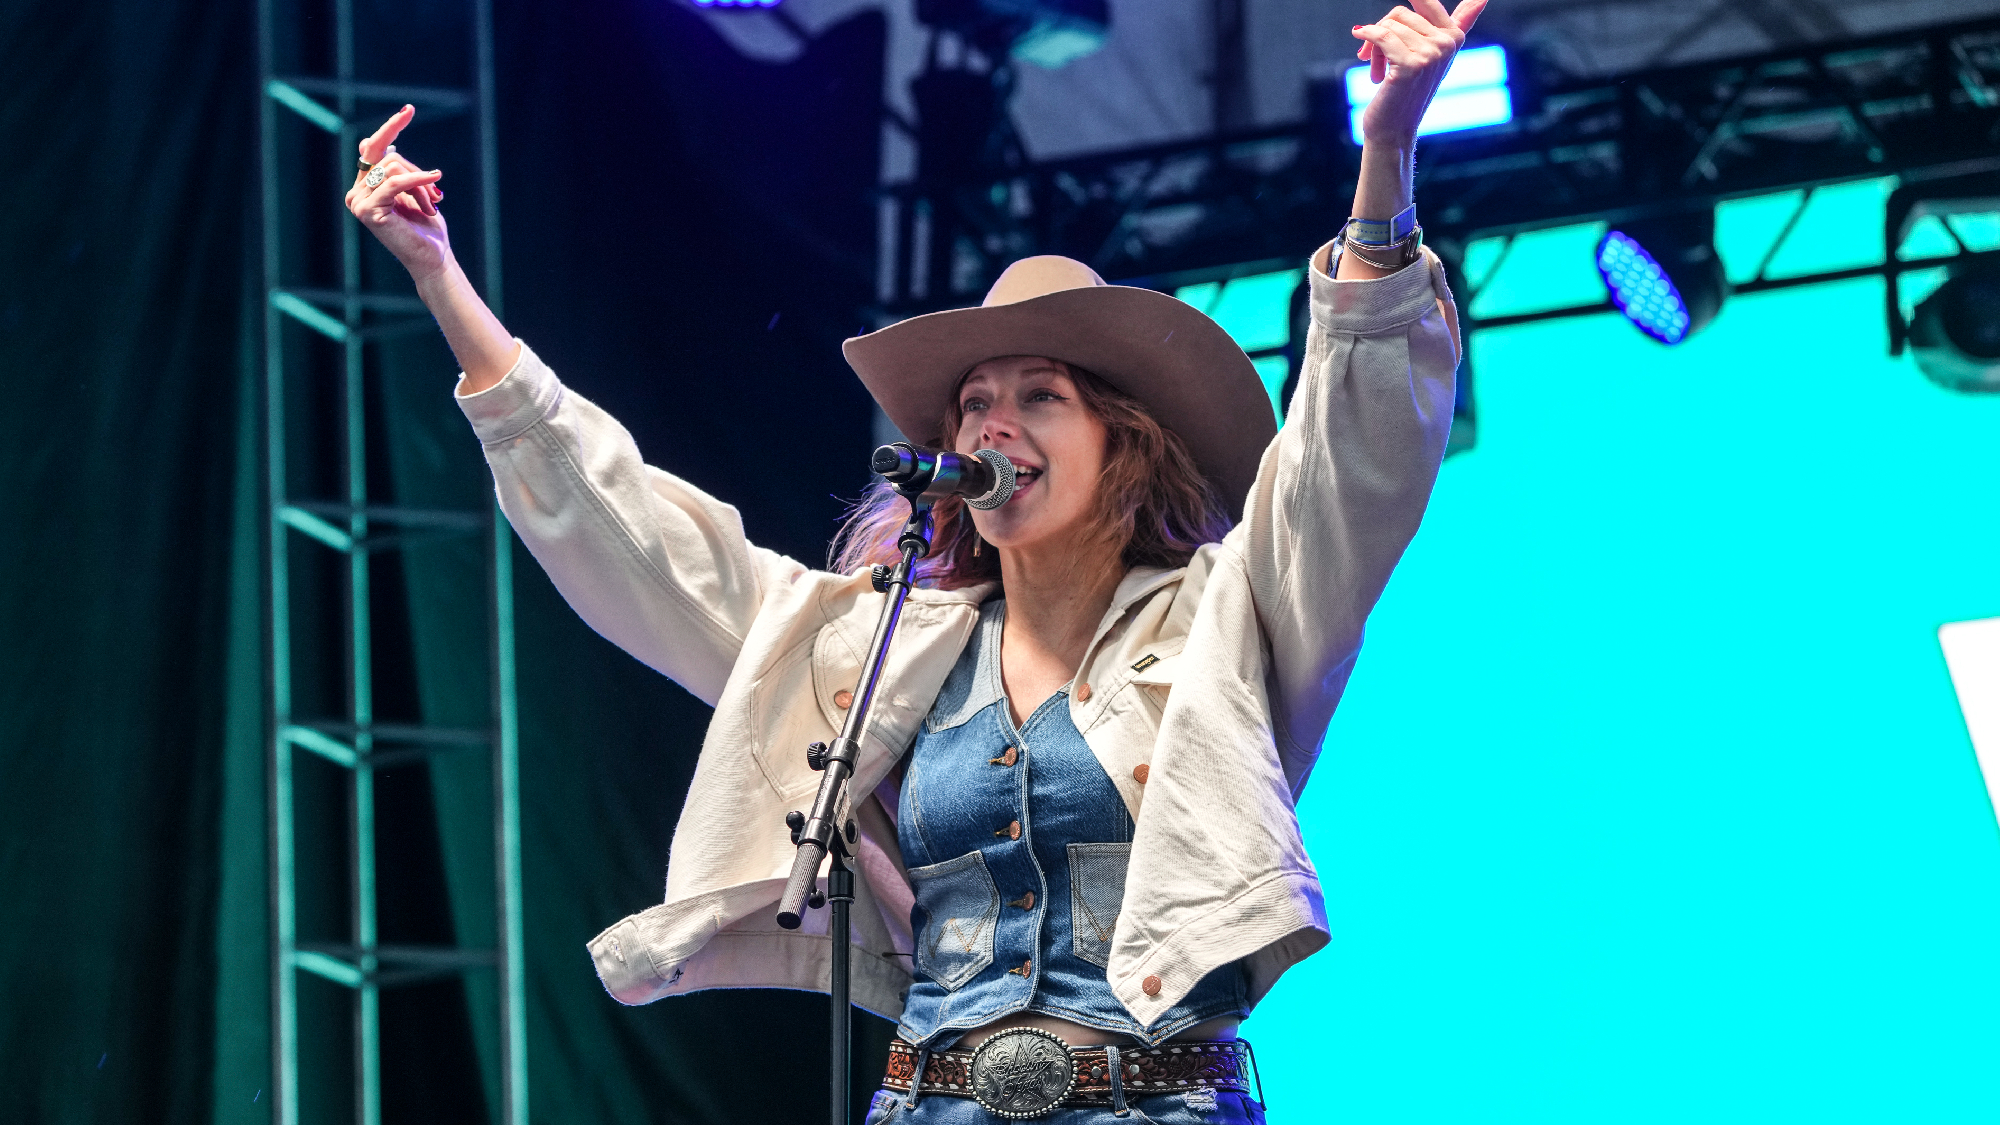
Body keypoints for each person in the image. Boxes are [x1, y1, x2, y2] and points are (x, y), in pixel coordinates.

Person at [348, 1, 1484, 1119]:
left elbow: (1350, 450)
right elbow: (633, 534)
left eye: (1040, 398)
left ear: (1124, 446)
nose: (992, 426)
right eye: (973, 405)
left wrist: (1383, 157)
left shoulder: (1228, 611)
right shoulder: (879, 637)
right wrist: (439, 276)